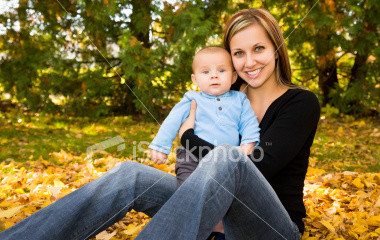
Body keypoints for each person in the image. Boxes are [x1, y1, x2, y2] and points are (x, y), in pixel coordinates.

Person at [0, 8, 320, 240]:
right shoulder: (227, 95)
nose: (250, 62)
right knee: (131, 175)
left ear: (277, 47)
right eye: (239, 53)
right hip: (215, 213)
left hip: (271, 227)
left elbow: (254, 167)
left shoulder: (301, 103)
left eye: (259, 48)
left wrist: (189, 138)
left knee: (231, 157)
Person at [149, 46, 260, 186]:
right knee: (189, 188)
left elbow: (249, 123)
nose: (214, 75)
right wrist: (160, 146)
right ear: (195, 79)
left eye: (221, 70)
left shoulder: (240, 99)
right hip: (192, 156)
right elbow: (172, 120)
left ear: (233, 77)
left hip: (227, 157)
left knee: (223, 189)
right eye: (206, 71)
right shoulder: (192, 99)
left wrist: (247, 145)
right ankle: (186, 202)